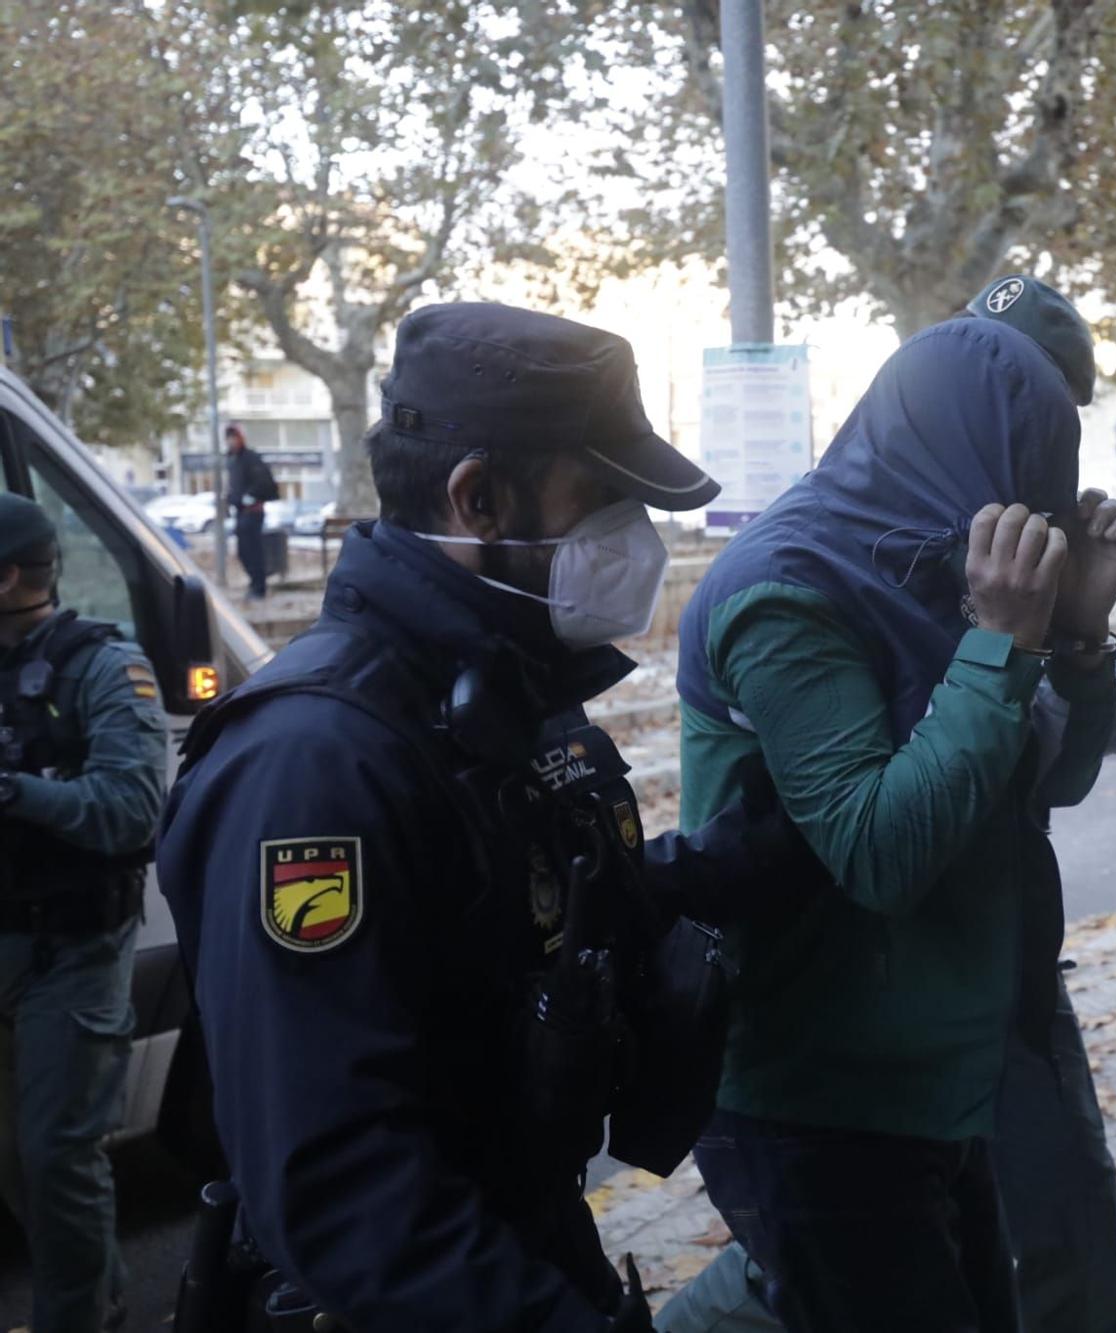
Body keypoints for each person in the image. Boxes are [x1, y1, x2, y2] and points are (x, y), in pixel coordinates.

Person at [156, 303, 822, 1333]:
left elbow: (533, 919)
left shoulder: (495, 698)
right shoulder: (313, 765)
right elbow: (342, 1192)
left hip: (524, 1247)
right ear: (479, 499)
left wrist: (743, 861)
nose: (635, 540)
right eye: (602, 497)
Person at [671, 274, 1116, 1331]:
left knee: (1036, 1266)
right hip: (831, 1077)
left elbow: (1052, 778)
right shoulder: (788, 586)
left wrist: (1078, 637)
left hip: (961, 1029)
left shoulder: (941, 550)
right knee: (833, 1277)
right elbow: (878, 853)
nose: (1031, 501)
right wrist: (1005, 641)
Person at [0, 492, 169, 1333]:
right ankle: (92, 1304)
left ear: (8, 579)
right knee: (17, 1162)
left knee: (59, 1153)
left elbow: (133, 808)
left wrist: (17, 792)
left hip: (73, 948)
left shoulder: (103, 664)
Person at [224, 423, 278, 599]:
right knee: (243, 551)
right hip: (240, 512)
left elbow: (264, 483)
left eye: (235, 437)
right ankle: (254, 583)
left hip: (253, 512)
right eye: (229, 437)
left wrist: (250, 496)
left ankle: (259, 587)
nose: (232, 441)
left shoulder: (252, 459)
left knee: (253, 550)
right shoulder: (232, 460)